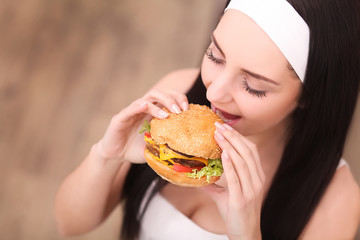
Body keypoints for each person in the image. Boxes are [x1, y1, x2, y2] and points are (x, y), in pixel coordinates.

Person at [54, 0, 360, 239]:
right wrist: (107, 155)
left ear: (310, 95)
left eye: (253, 86)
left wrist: (246, 234)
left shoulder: (336, 196)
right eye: (215, 56)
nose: (214, 93)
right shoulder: (176, 93)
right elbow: (70, 224)